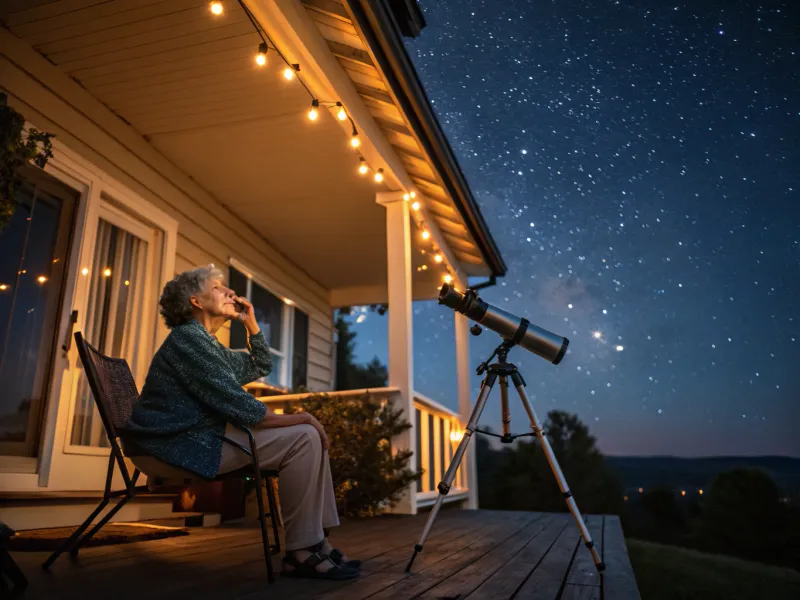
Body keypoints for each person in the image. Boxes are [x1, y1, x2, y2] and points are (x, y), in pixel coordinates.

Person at [126, 265, 359, 580]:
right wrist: (304, 416)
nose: (230, 293)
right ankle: (302, 550)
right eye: (220, 287)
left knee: (306, 435)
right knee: (304, 435)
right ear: (196, 300)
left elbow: (260, 363)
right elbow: (239, 407)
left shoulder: (207, 345)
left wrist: (251, 324)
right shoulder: (187, 341)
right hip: (174, 445)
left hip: (195, 438)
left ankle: (315, 541)